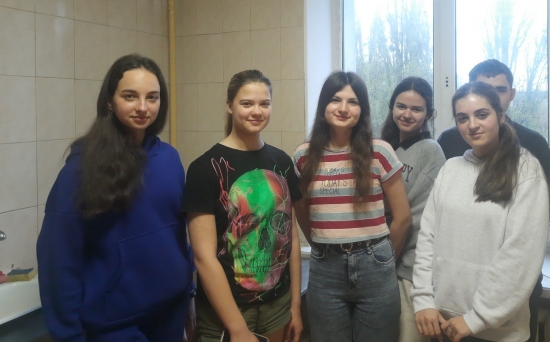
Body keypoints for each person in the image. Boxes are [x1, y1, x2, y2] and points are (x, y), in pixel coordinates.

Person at [37, 54, 194, 342]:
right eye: (130, 96)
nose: (143, 107)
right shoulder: (81, 169)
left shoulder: (170, 159)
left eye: (152, 97)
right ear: (110, 101)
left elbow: (178, 235)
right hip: (114, 325)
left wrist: (188, 291)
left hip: (171, 314)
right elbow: (58, 260)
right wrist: (69, 334)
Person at [412, 81, 549, 342]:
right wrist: (423, 301)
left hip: (498, 331)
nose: (472, 125)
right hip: (442, 323)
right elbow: (427, 239)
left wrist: (476, 318)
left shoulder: (526, 170)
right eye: (463, 118)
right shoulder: (450, 169)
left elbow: (521, 253)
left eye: (482, 114)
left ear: (501, 115)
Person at [181, 70, 303, 342]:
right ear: (229, 105)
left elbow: (292, 237)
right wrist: (237, 328)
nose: (256, 111)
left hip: (277, 307)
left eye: (264, 103)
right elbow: (203, 257)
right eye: (247, 103)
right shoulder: (204, 169)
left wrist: (295, 306)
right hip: (225, 313)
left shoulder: (282, 162)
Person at [292, 71, 411, 342]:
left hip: (375, 265)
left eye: (353, 101)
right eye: (335, 99)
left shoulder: (380, 151)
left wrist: (383, 258)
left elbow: (403, 217)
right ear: (323, 106)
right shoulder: (303, 156)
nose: (343, 108)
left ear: (362, 109)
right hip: (325, 267)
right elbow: (303, 214)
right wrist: (323, 243)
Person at [379, 77, 446, 342]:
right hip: (381, 265)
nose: (407, 114)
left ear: (428, 114)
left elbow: (417, 217)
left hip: (409, 270)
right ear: (392, 107)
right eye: (401, 106)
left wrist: (387, 261)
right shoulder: (384, 147)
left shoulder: (431, 151)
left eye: (416, 109)